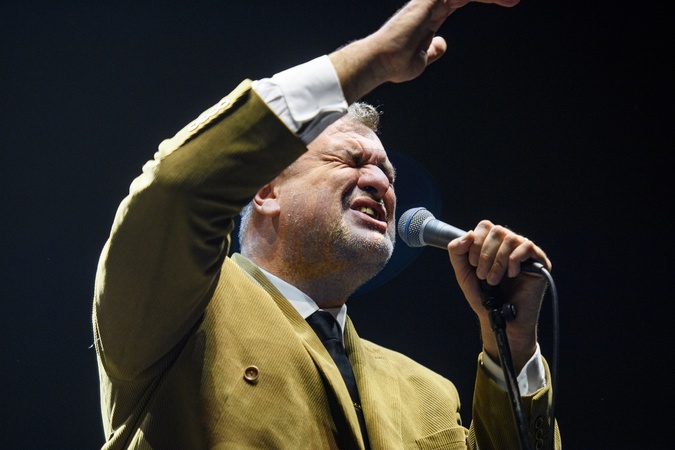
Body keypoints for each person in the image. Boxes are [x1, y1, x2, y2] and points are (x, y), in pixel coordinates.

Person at [93, 0, 561, 448]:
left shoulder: (428, 393)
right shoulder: (179, 309)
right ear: (265, 190)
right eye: (350, 160)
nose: (381, 182)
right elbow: (179, 188)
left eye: (389, 175)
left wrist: (512, 347)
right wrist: (372, 61)